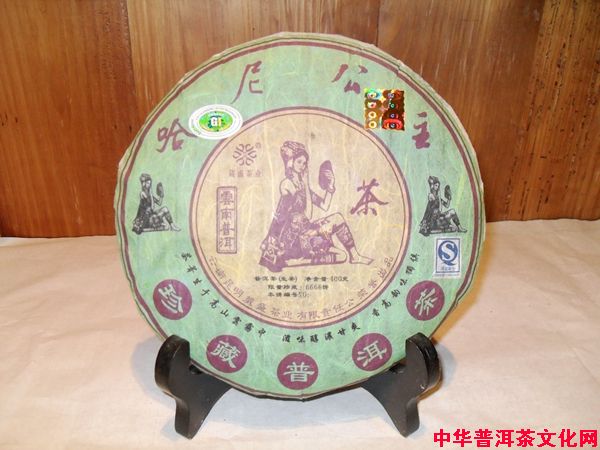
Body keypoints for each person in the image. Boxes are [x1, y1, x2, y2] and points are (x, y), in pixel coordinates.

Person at [259, 141, 372, 272]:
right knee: (340, 256)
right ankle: (291, 261)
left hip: (306, 230)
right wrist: (269, 239)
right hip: (293, 239)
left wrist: (330, 187)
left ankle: (355, 256)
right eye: (299, 162)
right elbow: (303, 215)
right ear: (291, 162)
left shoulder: (302, 185)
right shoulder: (287, 184)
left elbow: (324, 205)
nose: (302, 166)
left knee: (338, 220)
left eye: (304, 163)